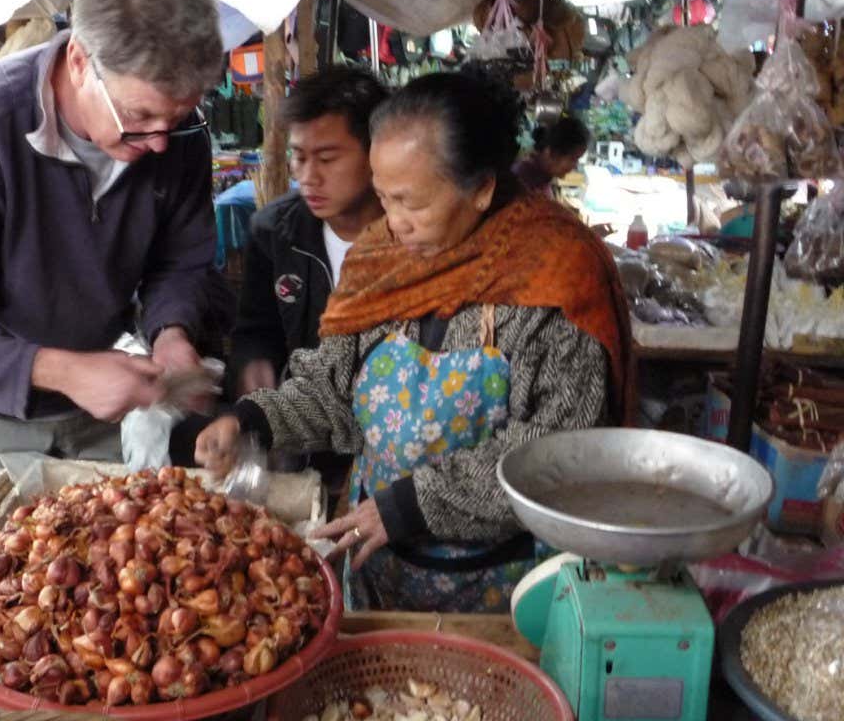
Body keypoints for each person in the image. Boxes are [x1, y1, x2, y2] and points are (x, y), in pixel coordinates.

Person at [196, 72, 630, 613]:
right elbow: (333, 391)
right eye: (383, 198)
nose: (394, 224)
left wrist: (412, 505)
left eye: (411, 203)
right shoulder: (381, 260)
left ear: (482, 190)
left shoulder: (556, 276)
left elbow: (561, 449)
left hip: (501, 589)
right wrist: (252, 421)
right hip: (376, 572)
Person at [0, 0, 223, 460]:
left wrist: (171, 334)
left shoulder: (177, 136)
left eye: (176, 120)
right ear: (79, 62)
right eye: (140, 115)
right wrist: (66, 370)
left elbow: (178, 262)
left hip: (98, 410)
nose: (160, 143)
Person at [231, 67, 388, 398]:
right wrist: (255, 364)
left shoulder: (413, 233)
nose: (308, 176)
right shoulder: (274, 232)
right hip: (306, 426)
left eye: (327, 159)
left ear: (377, 152)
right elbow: (257, 330)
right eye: (299, 157)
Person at [513, 115, 590, 198]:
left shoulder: (542, 179)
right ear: (554, 152)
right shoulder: (522, 179)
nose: (575, 165)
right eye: (573, 158)